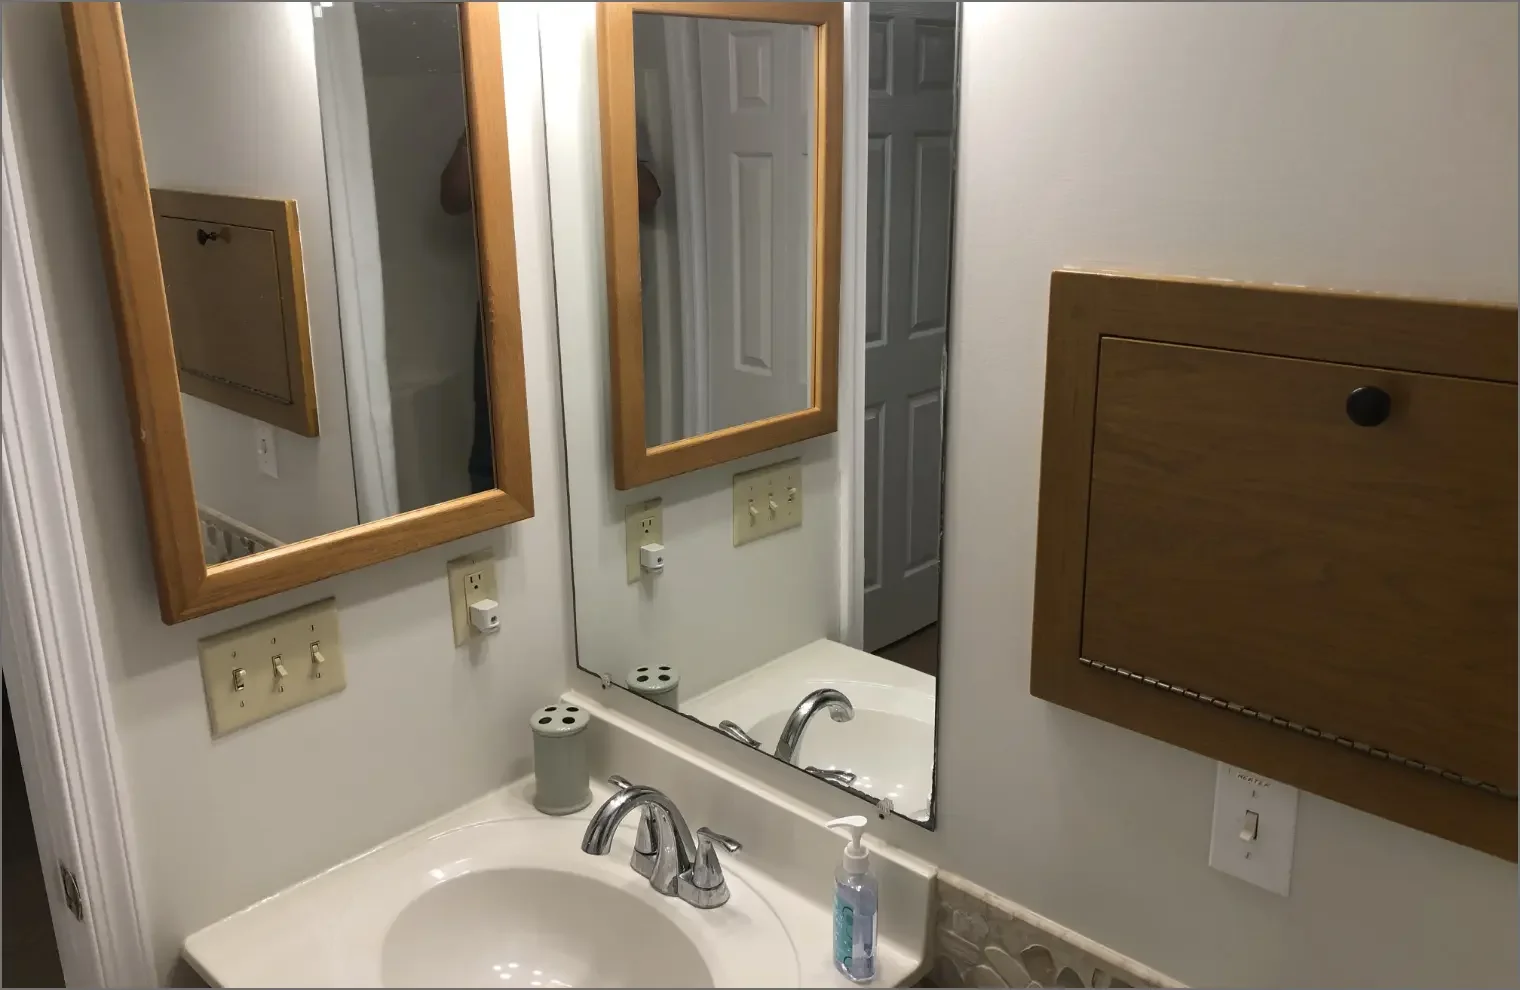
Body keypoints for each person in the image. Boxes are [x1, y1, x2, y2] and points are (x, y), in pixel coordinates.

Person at [439, 132, 495, 494]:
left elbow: (647, 196)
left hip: (583, 299)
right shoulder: (487, 121)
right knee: (493, 428)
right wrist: (471, 138)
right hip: (500, 302)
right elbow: (453, 199)